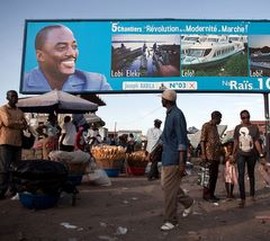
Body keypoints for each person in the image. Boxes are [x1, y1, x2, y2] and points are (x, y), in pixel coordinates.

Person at [23, 24, 112, 93]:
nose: (72, 53)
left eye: (74, 46)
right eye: (61, 47)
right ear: (40, 56)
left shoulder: (95, 83)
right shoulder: (24, 82)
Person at [159, 89, 195, 231]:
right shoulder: (169, 115)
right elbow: (165, 138)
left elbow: (182, 140)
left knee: (169, 191)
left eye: (162, 98)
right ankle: (189, 202)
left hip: (174, 159)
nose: (160, 101)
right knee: (166, 187)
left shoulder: (177, 115)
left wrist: (181, 163)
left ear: (167, 100)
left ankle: (171, 220)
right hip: (167, 157)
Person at [232, 110, 264, 208]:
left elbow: (256, 142)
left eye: (247, 117)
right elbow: (236, 141)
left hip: (252, 154)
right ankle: (242, 198)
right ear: (240, 118)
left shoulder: (254, 128)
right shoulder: (238, 128)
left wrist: (261, 154)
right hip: (241, 154)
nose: (245, 119)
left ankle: (252, 194)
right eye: (243, 117)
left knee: (251, 174)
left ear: (249, 117)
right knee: (241, 175)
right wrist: (233, 153)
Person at [0, 90, 28, 199]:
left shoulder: (20, 111)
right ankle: (1, 191)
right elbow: (7, 122)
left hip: (17, 143)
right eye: (12, 96)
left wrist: (18, 124)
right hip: (5, 142)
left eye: (16, 96)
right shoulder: (3, 109)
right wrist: (19, 123)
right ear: (7, 98)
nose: (14, 98)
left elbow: (25, 125)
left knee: (16, 168)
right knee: (4, 168)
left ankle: (14, 190)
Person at [200, 111, 223, 202]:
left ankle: (212, 194)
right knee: (208, 176)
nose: (220, 120)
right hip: (209, 155)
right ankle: (206, 195)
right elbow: (202, 140)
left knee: (214, 177)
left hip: (215, 156)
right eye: (220, 118)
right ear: (215, 117)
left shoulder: (215, 128)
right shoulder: (206, 126)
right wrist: (203, 154)